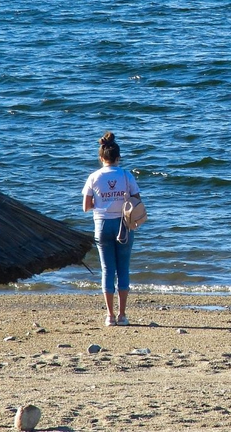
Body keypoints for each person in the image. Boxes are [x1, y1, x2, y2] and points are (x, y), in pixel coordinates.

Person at [82, 131, 140, 327]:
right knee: (123, 268)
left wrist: (103, 203)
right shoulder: (126, 175)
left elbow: (86, 206)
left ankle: (110, 316)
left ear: (101, 158)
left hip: (102, 224)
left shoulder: (94, 177)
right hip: (124, 224)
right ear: (118, 157)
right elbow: (137, 201)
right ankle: (123, 315)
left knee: (107, 269)